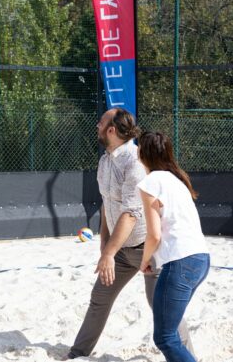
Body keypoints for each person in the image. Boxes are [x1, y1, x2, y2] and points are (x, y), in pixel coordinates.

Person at [64, 108, 193, 360]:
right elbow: (107, 205)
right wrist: (105, 248)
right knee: (99, 298)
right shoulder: (104, 161)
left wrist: (109, 252)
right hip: (121, 250)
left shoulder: (135, 161)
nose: (97, 126)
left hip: (150, 249)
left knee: (164, 310)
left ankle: (189, 356)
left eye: (100, 122)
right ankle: (76, 354)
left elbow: (130, 214)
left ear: (111, 130)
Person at [137, 131, 210, 362]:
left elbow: (154, 235)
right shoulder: (178, 180)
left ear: (143, 153)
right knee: (172, 329)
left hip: (181, 262)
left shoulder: (150, 182)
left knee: (166, 337)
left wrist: (145, 260)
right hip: (201, 259)